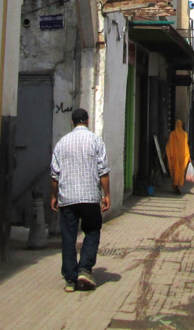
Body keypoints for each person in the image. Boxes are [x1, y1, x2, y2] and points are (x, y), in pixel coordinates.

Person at [49, 108, 110, 292]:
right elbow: (103, 171)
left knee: (68, 236)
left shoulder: (62, 143)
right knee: (92, 231)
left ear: (72, 122)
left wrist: (54, 196)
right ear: (88, 121)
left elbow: (54, 174)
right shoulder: (96, 141)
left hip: (67, 198)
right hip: (90, 197)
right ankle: (84, 268)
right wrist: (106, 194)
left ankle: (70, 279)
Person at [166, 120, 191, 195]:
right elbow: (186, 146)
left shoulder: (172, 134)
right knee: (181, 172)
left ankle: (175, 185)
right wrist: (188, 156)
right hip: (182, 157)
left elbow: (170, 145)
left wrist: (170, 154)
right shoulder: (185, 134)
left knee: (175, 171)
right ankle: (176, 186)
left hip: (175, 157)